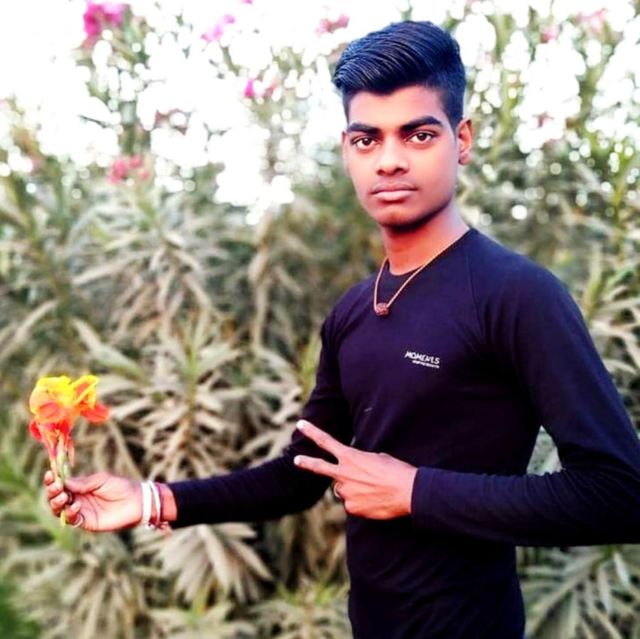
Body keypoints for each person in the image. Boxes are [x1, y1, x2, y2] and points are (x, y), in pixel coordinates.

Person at [44, 20, 640, 639]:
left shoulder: (516, 295)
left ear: (461, 140)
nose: (390, 160)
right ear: (347, 150)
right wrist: (150, 500)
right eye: (367, 139)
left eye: (418, 135)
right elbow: (301, 473)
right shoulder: (354, 311)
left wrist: (416, 491)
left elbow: (619, 493)